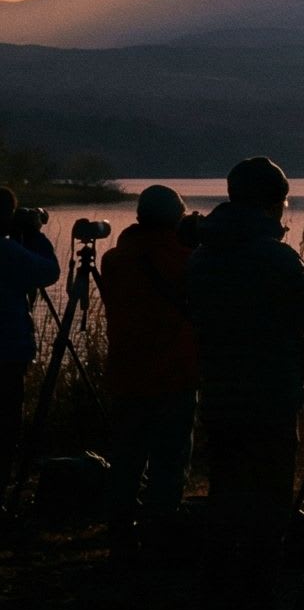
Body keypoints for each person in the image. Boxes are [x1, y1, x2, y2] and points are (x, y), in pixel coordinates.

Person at [185, 158, 304, 610]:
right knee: (269, 504)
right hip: (269, 400)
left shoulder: (201, 257)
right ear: (274, 203)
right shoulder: (273, 256)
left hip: (219, 397)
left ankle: (216, 599)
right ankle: (256, 605)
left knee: (225, 499)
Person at [99, 184, 200, 548]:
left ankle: (120, 532)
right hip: (174, 376)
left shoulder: (114, 260)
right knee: (169, 461)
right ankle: (159, 533)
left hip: (126, 374)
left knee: (126, 458)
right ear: (176, 220)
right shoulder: (185, 261)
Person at [1, 185, 63, 488]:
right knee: (6, 422)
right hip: (7, 351)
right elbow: (49, 272)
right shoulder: (7, 251)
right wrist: (35, 235)